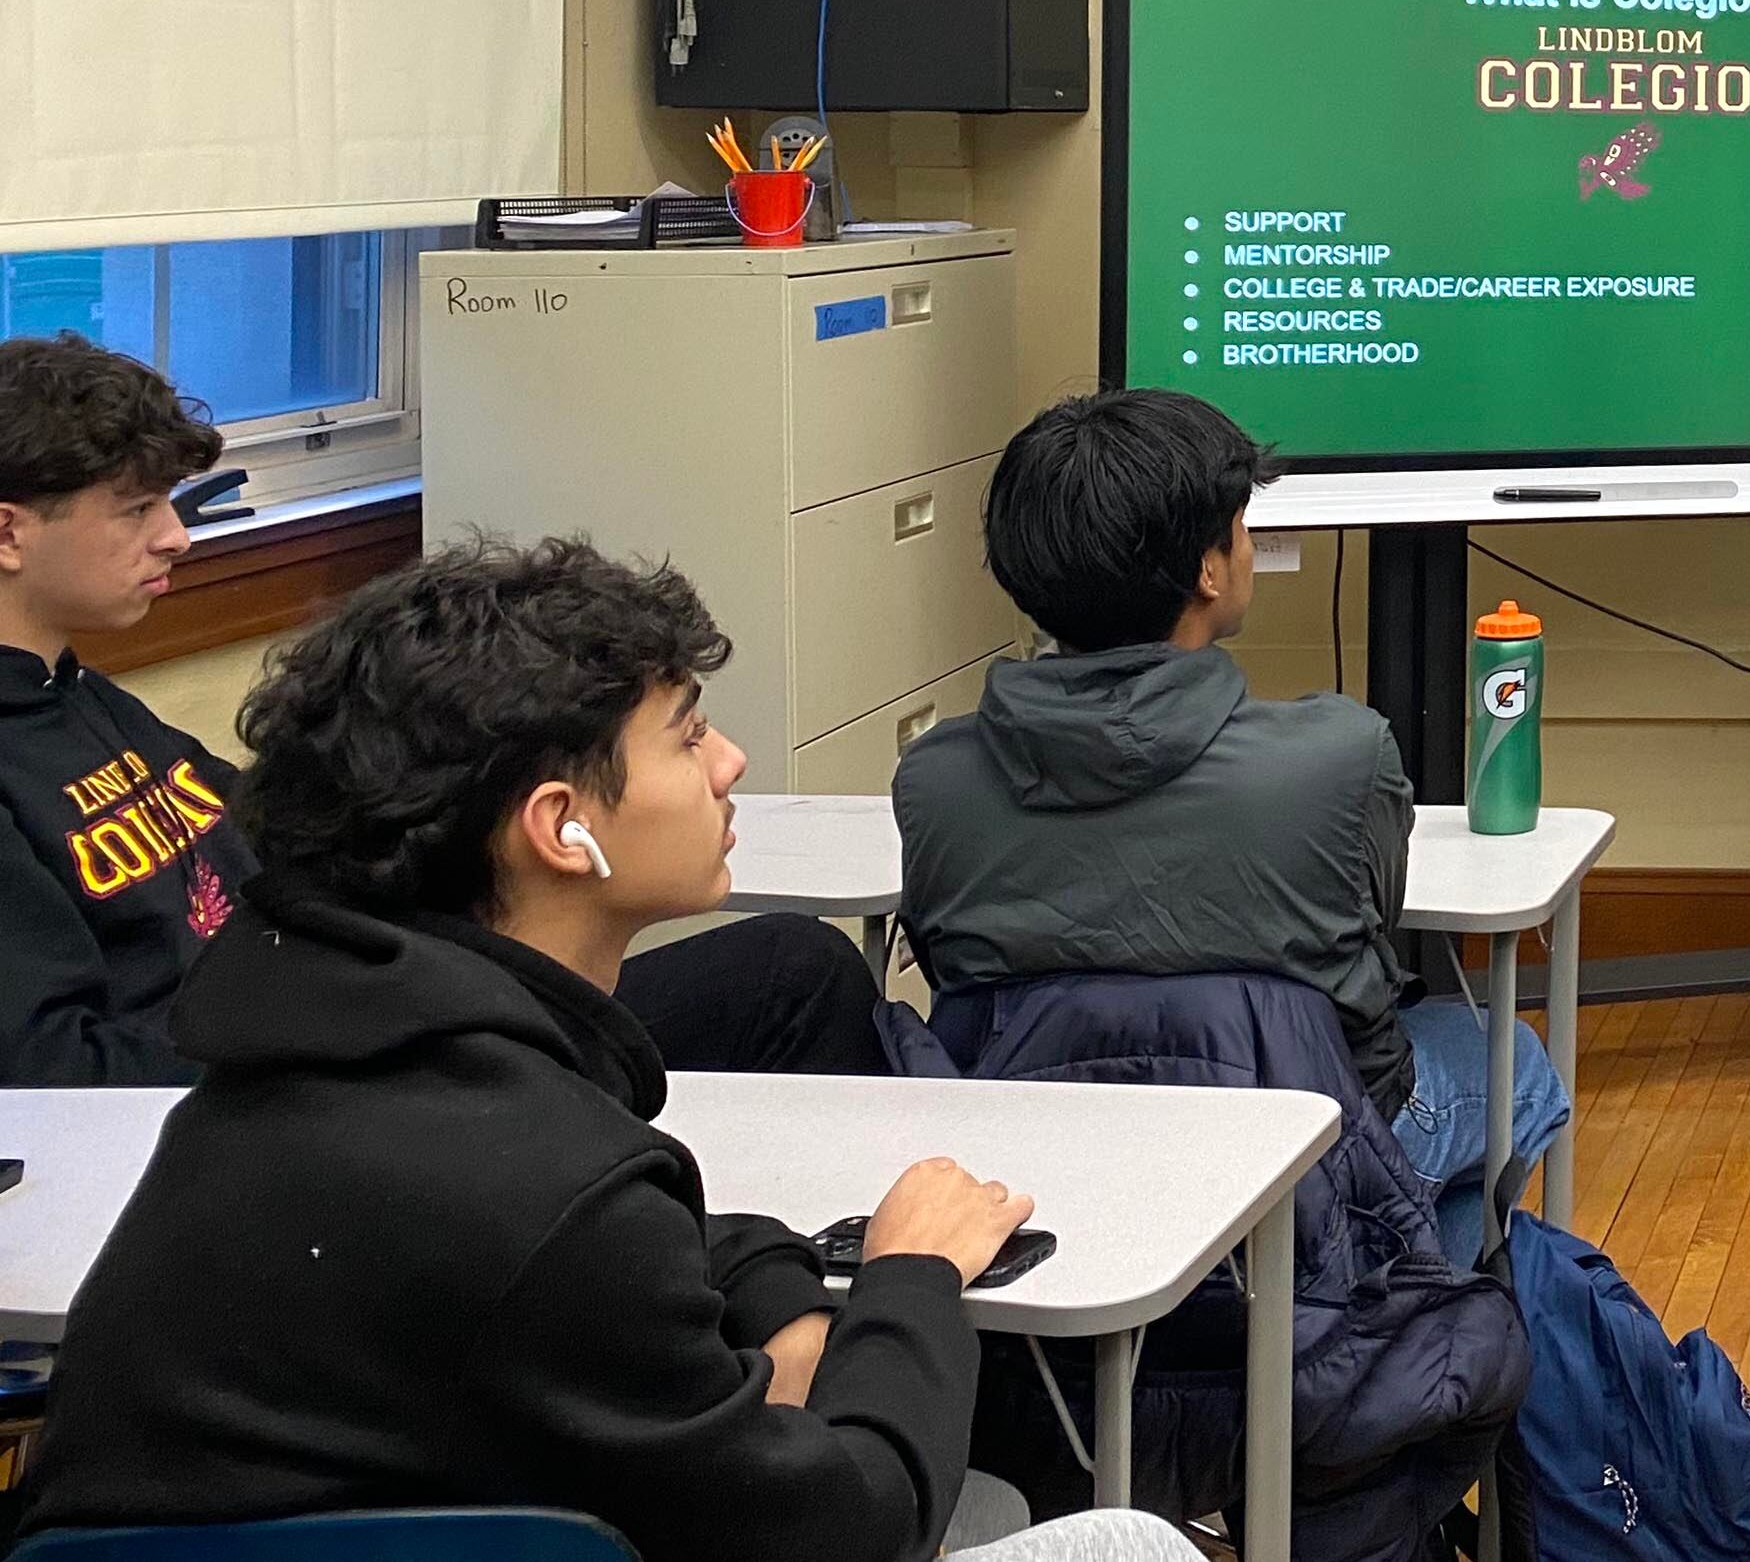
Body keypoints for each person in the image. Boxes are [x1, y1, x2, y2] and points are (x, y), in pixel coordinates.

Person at [17, 537, 1072, 1562]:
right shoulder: (549, 1181)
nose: (730, 761)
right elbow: (851, 1528)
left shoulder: (281, 1082)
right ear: (563, 827)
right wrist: (910, 1277)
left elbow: (557, 1260)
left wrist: (779, 1288)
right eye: (689, 735)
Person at [0, 331, 886, 1085]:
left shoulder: (87, 699)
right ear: (10, 532)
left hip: (343, 1025)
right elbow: (54, 1071)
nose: (176, 537)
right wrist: (366, 1031)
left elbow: (304, 849)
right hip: (282, 1084)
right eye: (136, 510)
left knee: (793, 967)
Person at [893, 387, 1565, 1262]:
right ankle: (1417, 1346)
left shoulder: (935, 781)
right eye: (1242, 525)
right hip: (1299, 1150)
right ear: (1210, 571)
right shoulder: (1340, 757)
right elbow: (1369, 948)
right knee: (1513, 1064)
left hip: (1030, 1164)